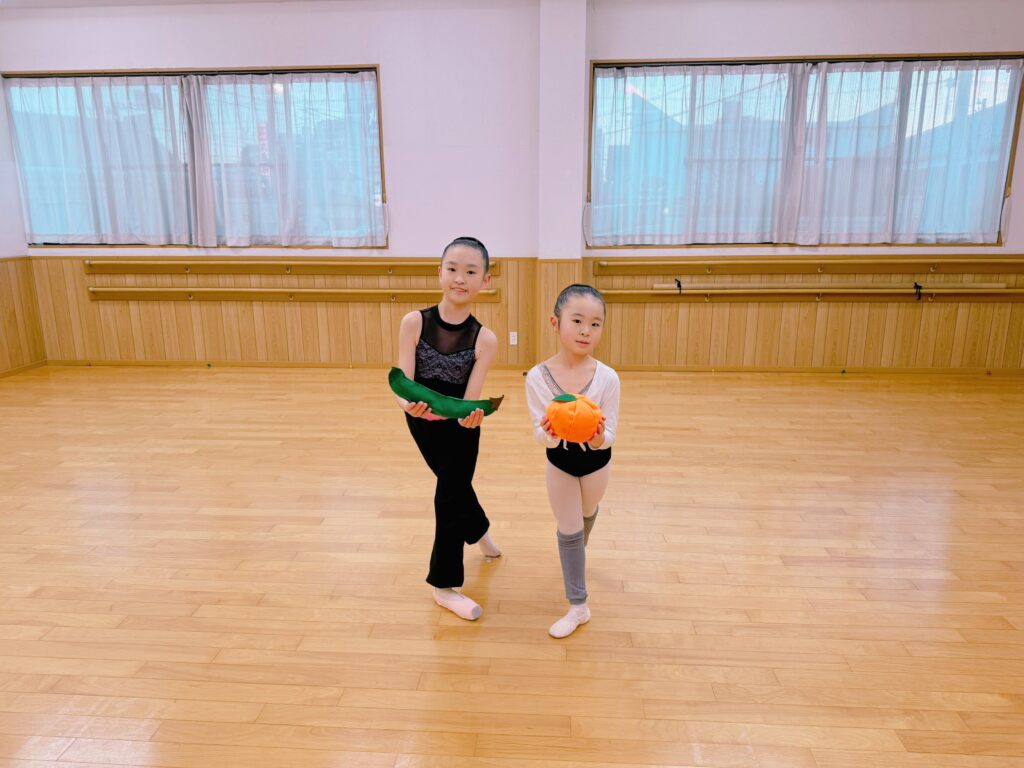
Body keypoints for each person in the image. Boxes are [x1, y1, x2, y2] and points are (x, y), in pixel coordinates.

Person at [395, 236, 501, 621]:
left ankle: (443, 584)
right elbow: (403, 383)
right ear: (439, 272)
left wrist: (470, 417)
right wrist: (410, 406)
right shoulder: (413, 323)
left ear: (484, 281)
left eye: (471, 272)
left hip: (461, 428)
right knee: (455, 486)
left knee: (449, 492)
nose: (460, 278)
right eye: (453, 269)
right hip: (420, 422)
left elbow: (469, 400)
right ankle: (480, 530)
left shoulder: (485, 339)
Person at [526, 284, 619, 638]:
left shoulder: (608, 378)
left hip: (597, 463)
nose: (585, 331)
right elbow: (539, 434)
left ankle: (577, 550)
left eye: (595, 324)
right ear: (556, 323)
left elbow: (611, 434)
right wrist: (550, 433)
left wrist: (597, 437)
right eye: (577, 321)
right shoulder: (538, 377)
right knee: (569, 529)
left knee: (586, 512)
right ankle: (578, 606)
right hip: (559, 463)